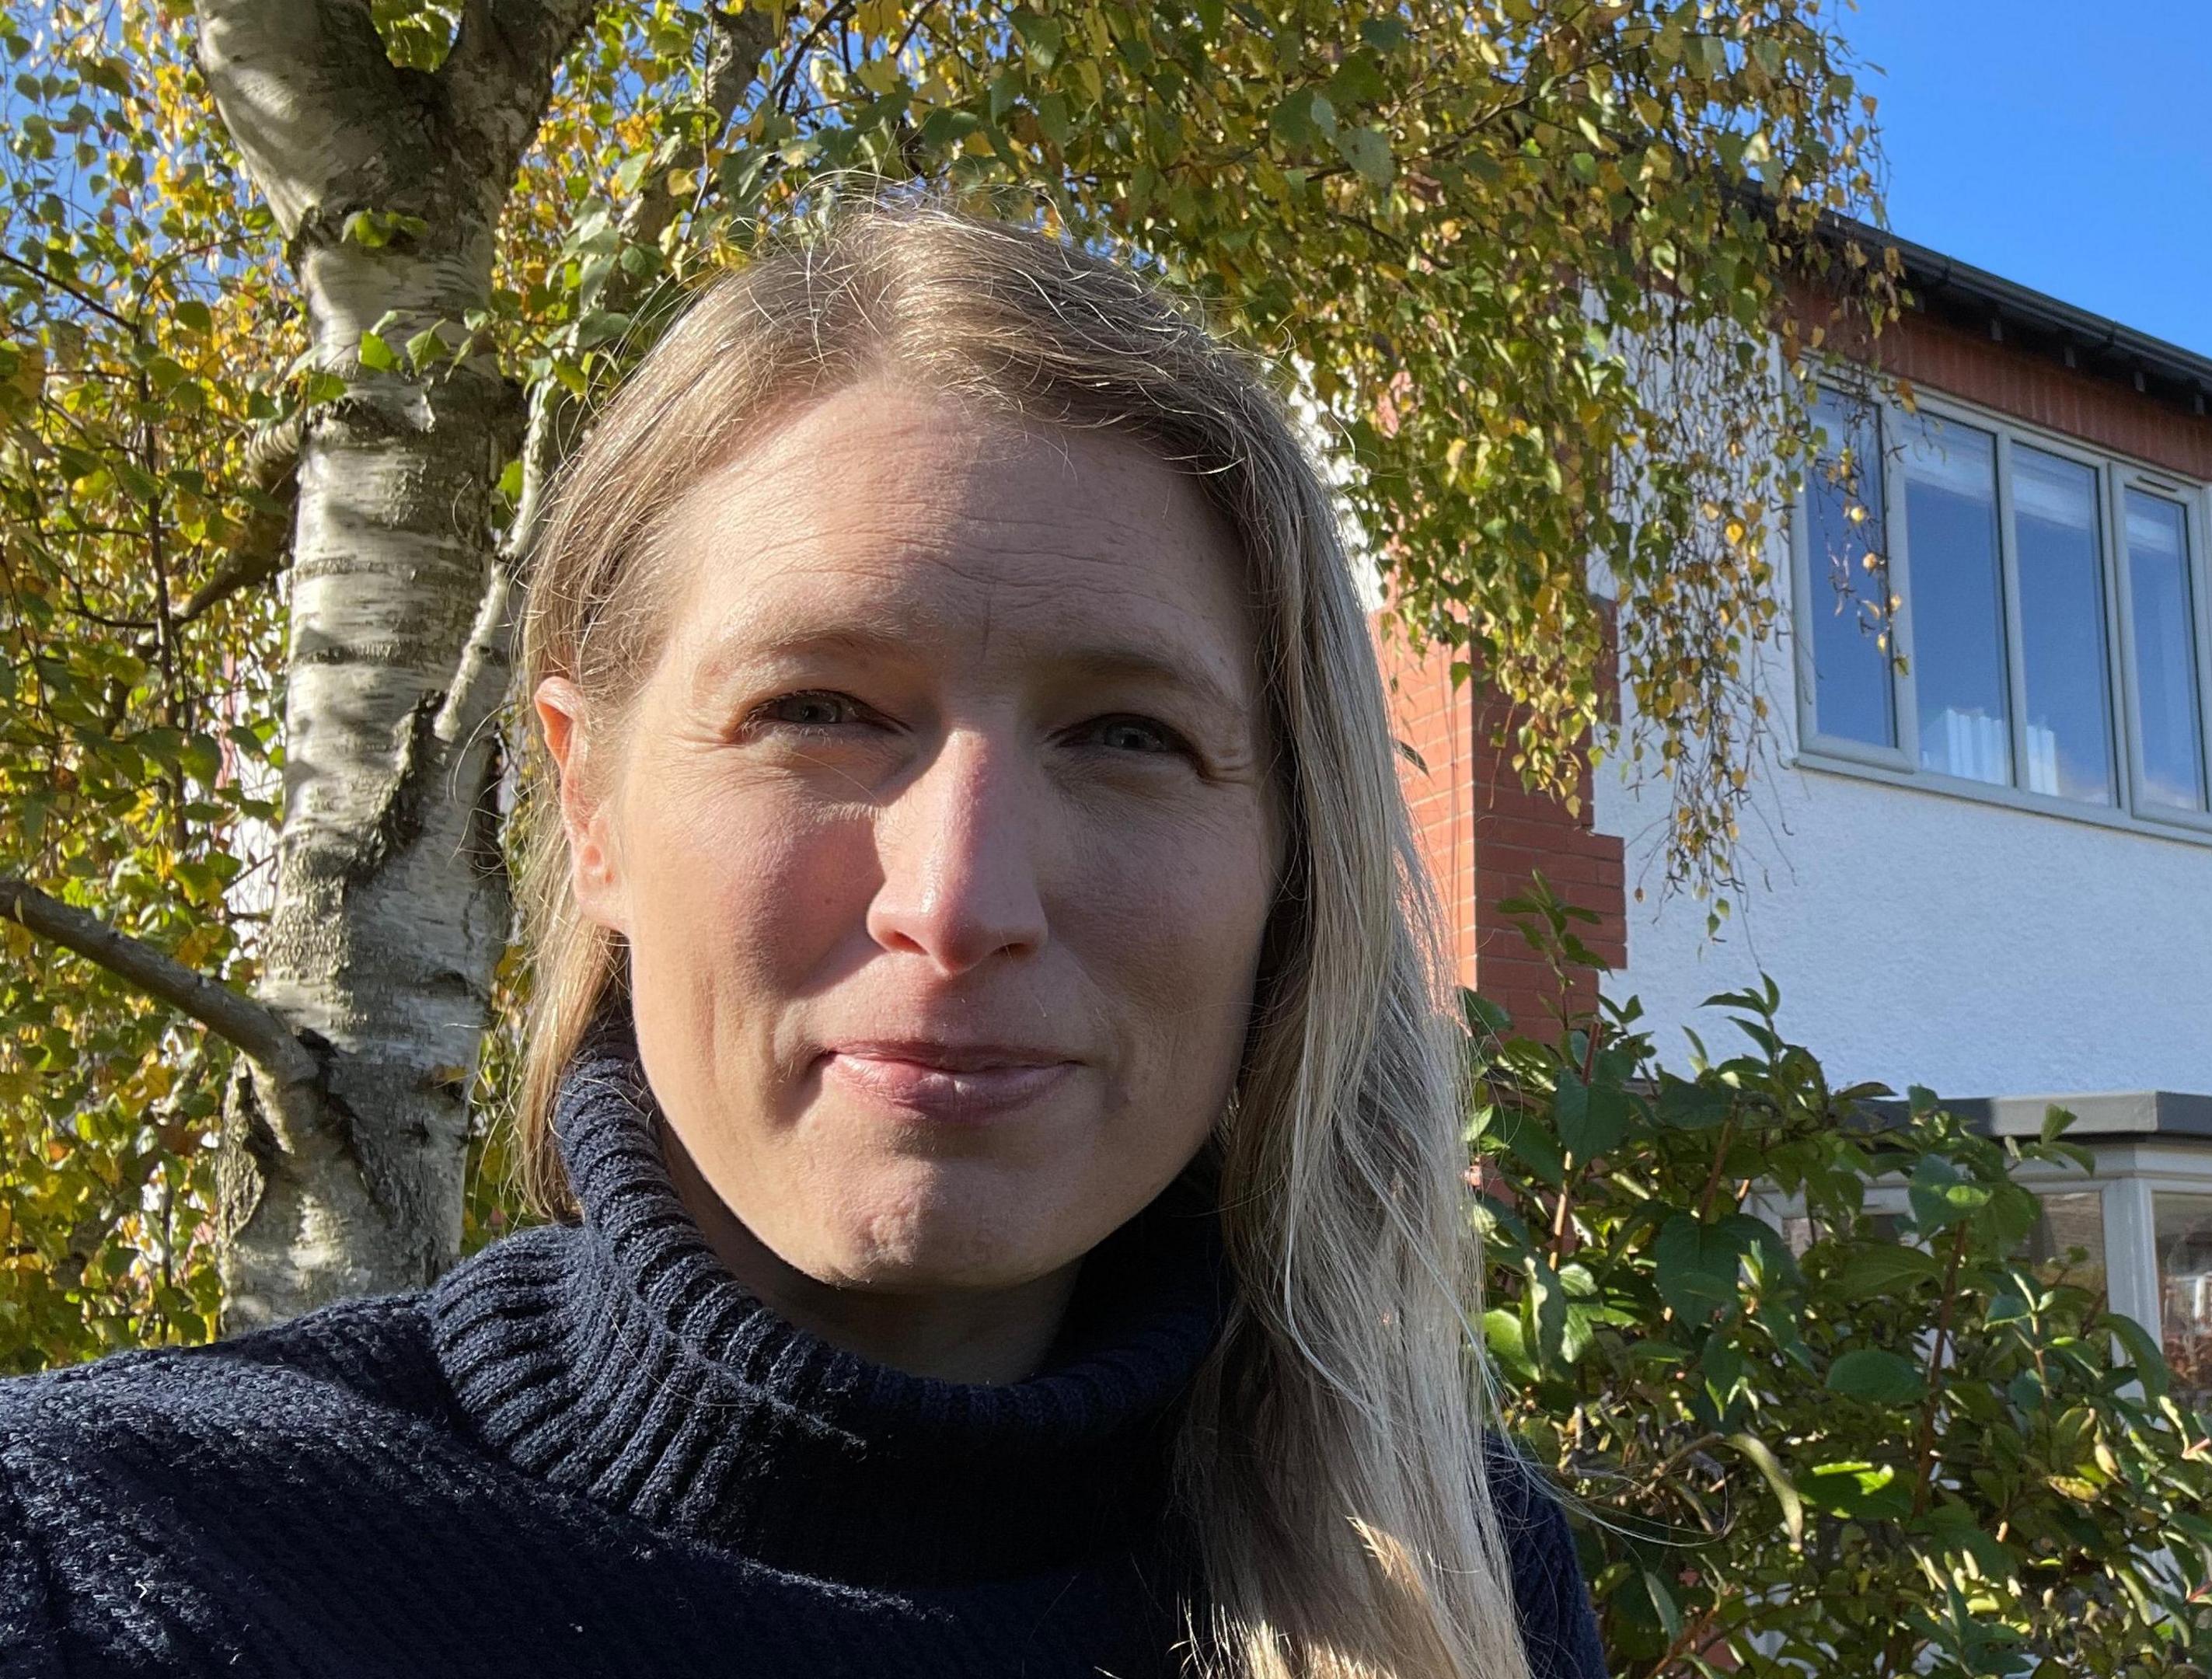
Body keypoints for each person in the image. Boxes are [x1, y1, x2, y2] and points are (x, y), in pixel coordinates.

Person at [0, 203, 1608, 1679]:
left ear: (1287, 863)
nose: (964, 900)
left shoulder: (1461, 1582)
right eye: (819, 713)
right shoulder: (109, 1568)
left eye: (1126, 737)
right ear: (591, 808)